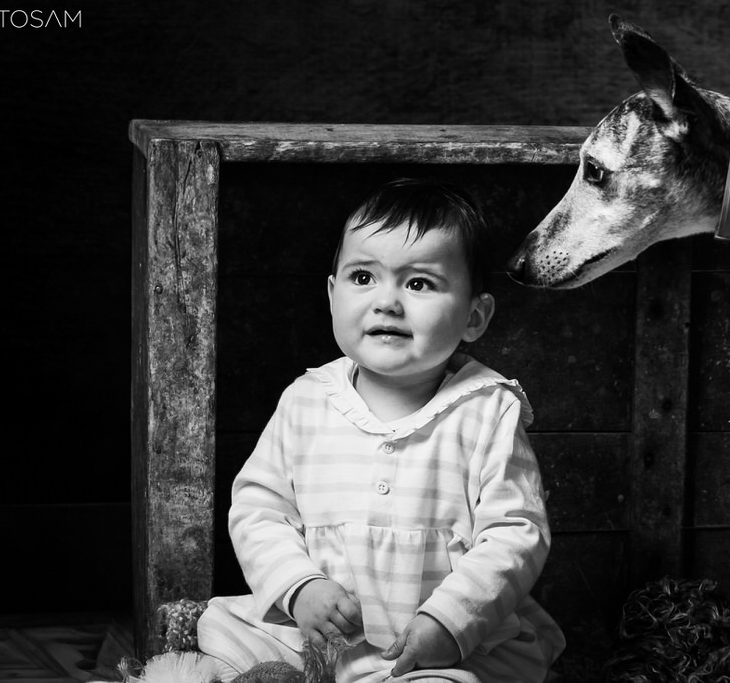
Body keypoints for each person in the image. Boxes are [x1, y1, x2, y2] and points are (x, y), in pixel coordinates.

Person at [197, 178, 565, 682]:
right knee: (224, 637)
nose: (387, 302)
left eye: (419, 284)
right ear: (332, 296)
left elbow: (515, 535)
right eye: (363, 277)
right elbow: (260, 510)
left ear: (474, 316)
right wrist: (300, 588)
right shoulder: (308, 399)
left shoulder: (486, 409)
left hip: (437, 652)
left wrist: (448, 619)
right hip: (314, 638)